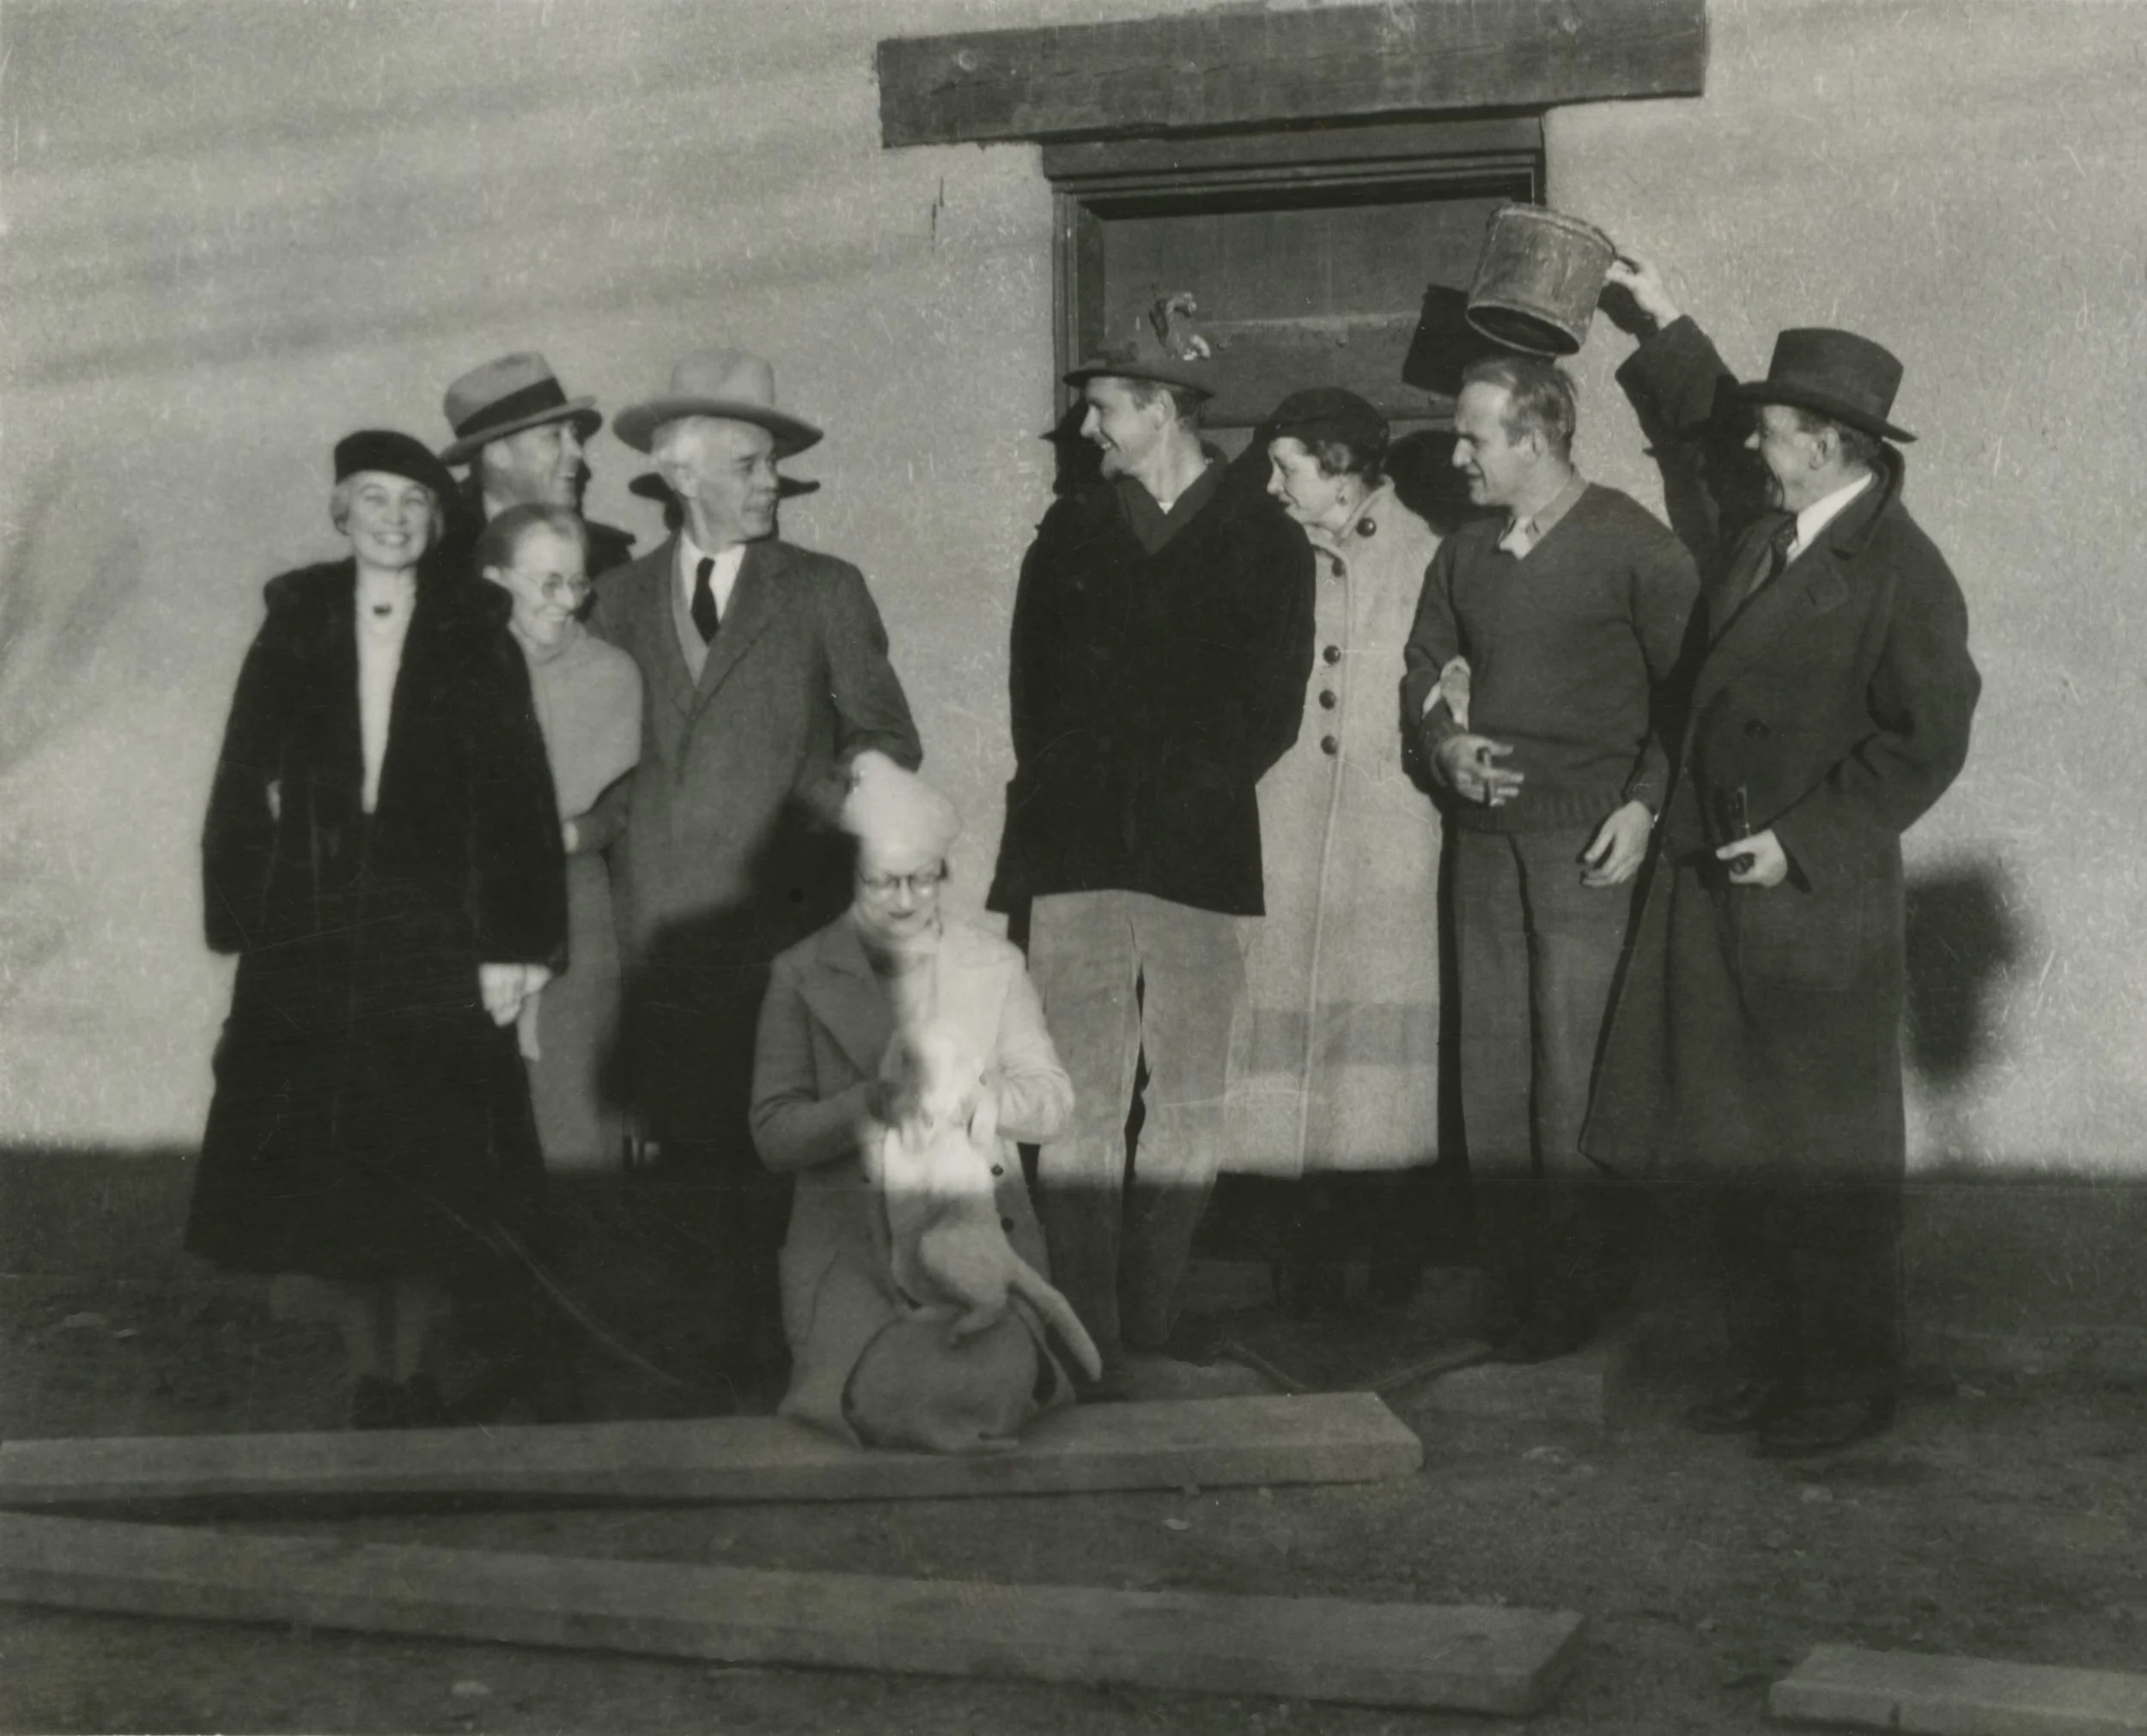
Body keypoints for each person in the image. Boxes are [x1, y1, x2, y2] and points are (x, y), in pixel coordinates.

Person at [1586, 252, 1980, 1455]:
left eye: (1774, 435)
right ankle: (1769, 1366)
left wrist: (1800, 842)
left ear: (1828, 447)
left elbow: (1929, 740)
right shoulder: (1772, 535)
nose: (1753, 449)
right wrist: (1660, 322)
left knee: (1825, 1163)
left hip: (1811, 905)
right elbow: (1708, 431)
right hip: (1719, 890)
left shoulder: (1900, 572)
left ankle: (1847, 1385)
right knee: (1735, 1149)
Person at [186, 431, 565, 1429]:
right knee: (338, 1171)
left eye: (413, 503)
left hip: (436, 937)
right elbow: (241, 770)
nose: (394, 518)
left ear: (436, 523)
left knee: (435, 1162)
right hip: (314, 938)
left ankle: (420, 1371)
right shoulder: (297, 619)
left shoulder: (476, 626)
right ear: (340, 513)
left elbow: (519, 794)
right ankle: (371, 1373)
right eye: (374, 499)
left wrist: (515, 946)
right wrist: (246, 917)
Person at [988, 293, 1315, 1393]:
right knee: (1075, 1094)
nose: (1088, 433)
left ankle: (1155, 1317)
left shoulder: (1263, 539)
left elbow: (1270, 707)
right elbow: (1033, 697)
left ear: (1163, 410)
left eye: (1105, 412)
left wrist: (1185, 791)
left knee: (1187, 1098)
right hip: (1074, 853)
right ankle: (1085, 1332)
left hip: (1195, 853)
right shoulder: (1071, 532)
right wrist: (1078, 794)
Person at [593, 347, 921, 1390]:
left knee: (785, 1156)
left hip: (784, 931)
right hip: (662, 934)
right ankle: (703, 1371)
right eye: (748, 462)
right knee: (683, 1153)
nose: (770, 480)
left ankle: (800, 1363)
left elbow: (886, 741)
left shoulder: (824, 591)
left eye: (773, 463)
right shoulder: (613, 601)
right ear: (679, 474)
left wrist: (801, 827)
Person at [1402, 355, 1700, 1363]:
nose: (1455, 456)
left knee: (1573, 1070)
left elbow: (1688, 700)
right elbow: (1421, 665)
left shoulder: (1635, 547)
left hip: (1583, 849)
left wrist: (1645, 806)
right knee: (1492, 1074)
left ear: (1533, 440)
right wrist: (1445, 748)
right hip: (1480, 847)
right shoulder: (1465, 551)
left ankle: (1578, 1298)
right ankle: (1515, 1291)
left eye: (1472, 438)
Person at [751, 755, 1079, 1450]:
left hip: (977, 1252)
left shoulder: (994, 965)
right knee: (890, 1390)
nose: (904, 900)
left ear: (943, 873)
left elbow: (1053, 1101)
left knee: (981, 1377)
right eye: (880, 882)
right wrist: (867, 1103)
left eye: (923, 880)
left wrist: (979, 1098)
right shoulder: (801, 971)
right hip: (854, 1259)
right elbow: (773, 1135)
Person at [1231, 388, 1447, 1312]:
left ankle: (1392, 1254)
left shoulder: (1427, 554)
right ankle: (1301, 1259)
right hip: (1284, 823)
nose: (1273, 486)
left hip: (1386, 827)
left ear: (1343, 466)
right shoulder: (1266, 553)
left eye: (1288, 467)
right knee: (1284, 1030)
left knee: (1383, 1045)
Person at [477, 503, 643, 1167]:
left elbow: (626, 801)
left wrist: (570, 834)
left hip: (573, 906)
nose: (567, 603)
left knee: (572, 1115)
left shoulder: (611, 672)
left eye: (577, 583)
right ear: (495, 581)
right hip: (469, 901)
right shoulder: (452, 669)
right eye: (547, 583)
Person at [437, 351, 636, 581]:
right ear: (498, 454)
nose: (577, 451)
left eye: (573, 434)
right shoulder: (437, 554)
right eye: (553, 437)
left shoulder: (607, 555)